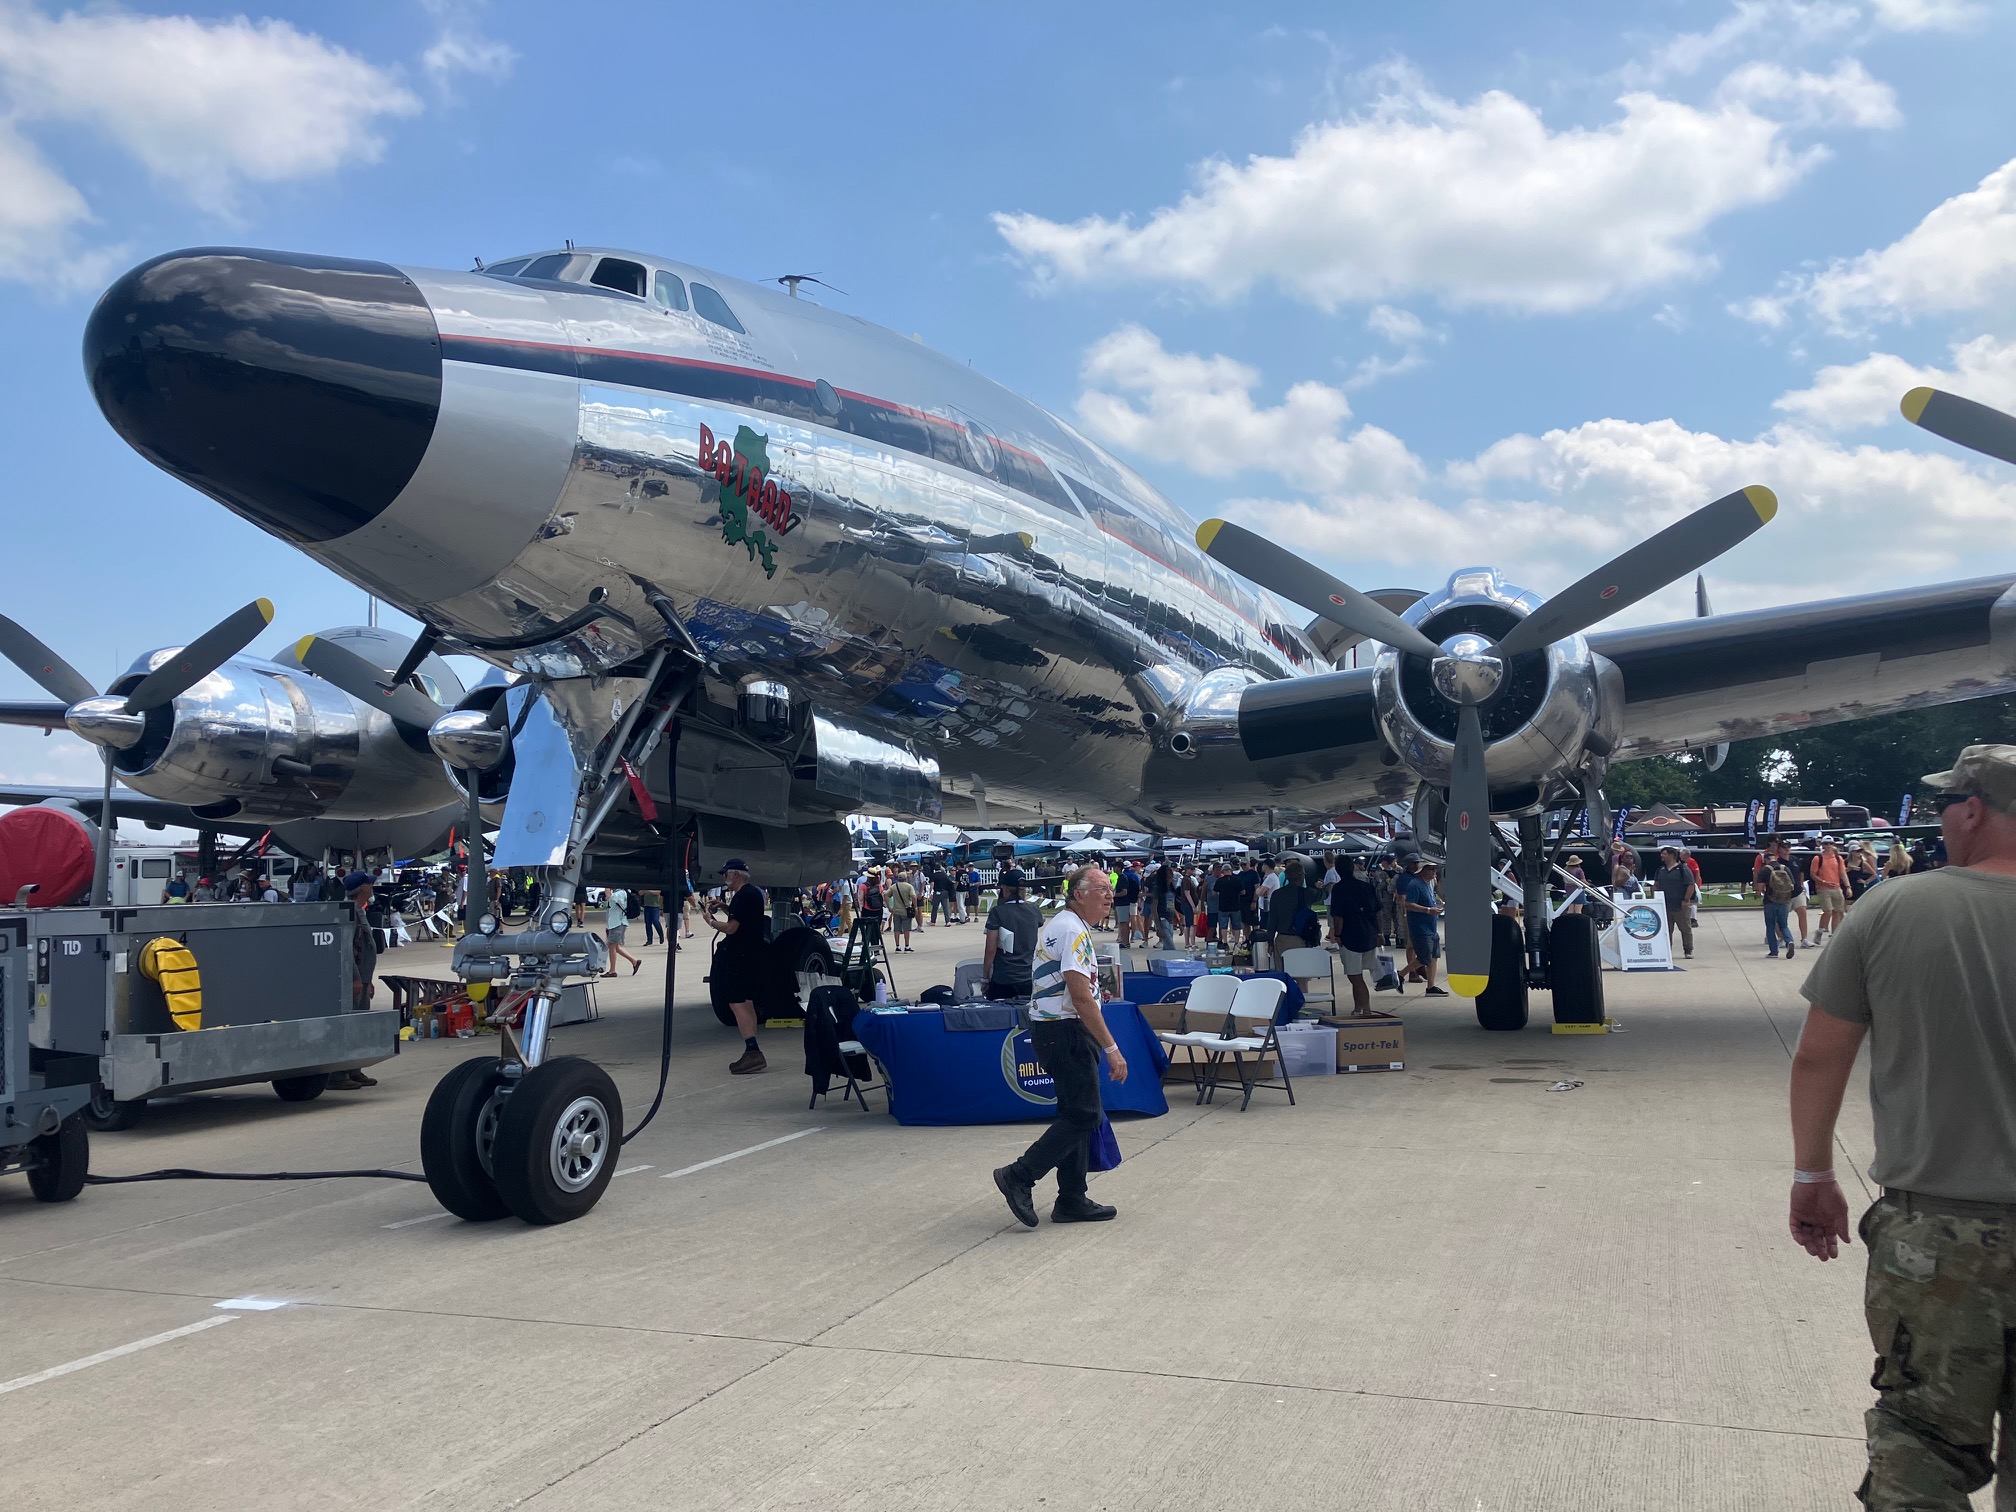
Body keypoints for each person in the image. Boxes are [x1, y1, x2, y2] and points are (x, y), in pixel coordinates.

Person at [1787, 745, 2016, 1508]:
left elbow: (1819, 1056)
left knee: (1921, 1452)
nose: (1941, 818)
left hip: (1942, 1234)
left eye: (1948, 804)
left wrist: (1814, 1175)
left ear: (1973, 811)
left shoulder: (1894, 907)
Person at [992, 865, 1125, 1227]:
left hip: (1055, 1029)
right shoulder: (1072, 930)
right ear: (1078, 894)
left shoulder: (1067, 925)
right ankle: (1019, 1175)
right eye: (1101, 889)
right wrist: (1111, 1048)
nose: (1109, 896)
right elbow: (1080, 998)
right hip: (1065, 1030)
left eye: (1110, 889)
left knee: (1075, 1113)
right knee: (1084, 1114)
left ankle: (1072, 1198)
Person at [702, 860, 770, 1074]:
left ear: (736, 875)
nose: (724, 879)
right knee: (748, 1002)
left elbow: (732, 928)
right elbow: (745, 918)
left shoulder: (741, 896)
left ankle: (752, 1050)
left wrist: (710, 921)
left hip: (740, 956)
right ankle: (753, 1048)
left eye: (726, 875)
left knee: (736, 1002)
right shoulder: (754, 893)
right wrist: (725, 907)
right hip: (755, 954)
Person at [330, 871, 380, 1089]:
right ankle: (337, 1075)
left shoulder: (359, 911)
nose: (372, 887)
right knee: (348, 1027)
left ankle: (354, 1069)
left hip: (362, 979)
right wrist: (355, 979)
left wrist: (368, 980)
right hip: (353, 981)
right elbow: (345, 949)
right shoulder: (349, 912)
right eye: (369, 884)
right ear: (363, 888)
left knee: (358, 1027)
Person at [1329, 856, 1383, 1014]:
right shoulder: (1366, 887)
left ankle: (1366, 1008)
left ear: (1337, 870)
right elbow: (1378, 911)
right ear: (1353, 868)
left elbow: (1338, 916)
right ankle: (1358, 1007)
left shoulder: (1339, 889)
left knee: (1354, 976)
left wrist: (1337, 935)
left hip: (1350, 936)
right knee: (1358, 974)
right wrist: (1380, 932)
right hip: (1369, 933)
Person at [982, 867, 1043, 1001]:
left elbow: (990, 949)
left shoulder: (997, 912)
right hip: (1028, 975)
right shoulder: (1034, 910)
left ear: (1004, 888)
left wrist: (985, 978)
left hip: (1004, 977)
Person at [1400, 861, 1448, 995]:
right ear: (1423, 871)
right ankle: (1400, 974)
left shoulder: (1429, 884)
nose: (1434, 872)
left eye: (1434, 869)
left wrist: (1436, 905)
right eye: (1431, 869)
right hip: (1420, 927)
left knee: (1433, 957)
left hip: (1431, 926)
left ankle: (1431, 986)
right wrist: (1428, 910)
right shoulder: (1415, 885)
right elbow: (1408, 904)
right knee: (1424, 957)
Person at [1754, 843, 1801, 959]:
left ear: (1766, 860)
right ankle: (1789, 941)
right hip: (1785, 901)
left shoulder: (1765, 870)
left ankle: (1774, 951)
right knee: (1784, 925)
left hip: (1770, 901)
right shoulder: (1785, 868)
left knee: (1770, 925)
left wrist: (1758, 893)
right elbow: (1792, 884)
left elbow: (1760, 888)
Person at [1652, 845, 1698, 959]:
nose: (1662, 856)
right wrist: (1655, 897)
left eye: (1664, 853)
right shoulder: (1660, 870)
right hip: (1665, 906)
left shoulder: (1683, 869)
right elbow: (1656, 885)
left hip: (1680, 905)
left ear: (1672, 855)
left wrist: (1686, 900)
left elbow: (1690, 885)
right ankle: (1667, 951)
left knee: (1685, 929)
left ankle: (1688, 950)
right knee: (1666, 930)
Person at [1809, 836, 1850, 945]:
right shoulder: (1818, 858)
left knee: (1838, 911)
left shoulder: (1838, 858)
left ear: (1833, 845)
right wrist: (1823, 882)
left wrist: (1848, 887)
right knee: (1828, 911)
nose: (1828, 846)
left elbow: (1843, 873)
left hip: (1836, 887)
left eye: (1830, 843)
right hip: (1823, 889)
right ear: (1822, 845)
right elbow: (1813, 874)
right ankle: (1820, 930)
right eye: (1825, 844)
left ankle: (1834, 934)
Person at [602, 888, 642, 977]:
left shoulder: (621, 893)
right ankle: (634, 961)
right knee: (615, 947)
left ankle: (612, 971)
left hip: (618, 923)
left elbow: (611, 899)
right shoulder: (618, 893)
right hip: (614, 923)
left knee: (612, 946)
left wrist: (607, 892)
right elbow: (608, 903)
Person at [888, 866, 918, 953]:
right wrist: (915, 907)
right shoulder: (909, 887)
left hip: (896, 910)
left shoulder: (894, 887)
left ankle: (897, 946)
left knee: (897, 929)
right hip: (906, 910)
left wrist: (889, 907)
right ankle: (907, 946)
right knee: (906, 929)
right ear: (905, 878)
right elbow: (913, 896)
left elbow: (886, 894)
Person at [1111, 861, 1141, 948]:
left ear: (1119, 868)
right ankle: (1124, 941)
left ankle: (1125, 942)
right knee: (1122, 923)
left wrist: (1114, 895)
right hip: (1121, 903)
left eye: (1115, 867)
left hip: (1123, 903)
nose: (1114, 869)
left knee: (1124, 923)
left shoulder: (1123, 878)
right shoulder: (1120, 877)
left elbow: (1124, 892)